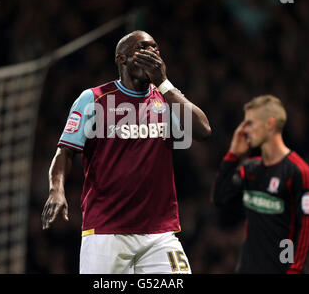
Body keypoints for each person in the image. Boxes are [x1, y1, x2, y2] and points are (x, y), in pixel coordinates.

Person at [41, 30, 212, 274]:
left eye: (156, 49)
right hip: (106, 231)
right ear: (122, 59)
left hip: (159, 233)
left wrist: (163, 83)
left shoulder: (166, 99)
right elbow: (65, 152)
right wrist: (56, 191)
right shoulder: (94, 99)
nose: (152, 53)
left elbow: (203, 130)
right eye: (143, 48)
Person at [213, 95, 309, 274]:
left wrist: (295, 271)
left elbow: (306, 228)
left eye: (250, 123)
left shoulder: (299, 171)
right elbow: (220, 198)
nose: (244, 130)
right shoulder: (249, 168)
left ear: (269, 124)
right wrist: (232, 155)